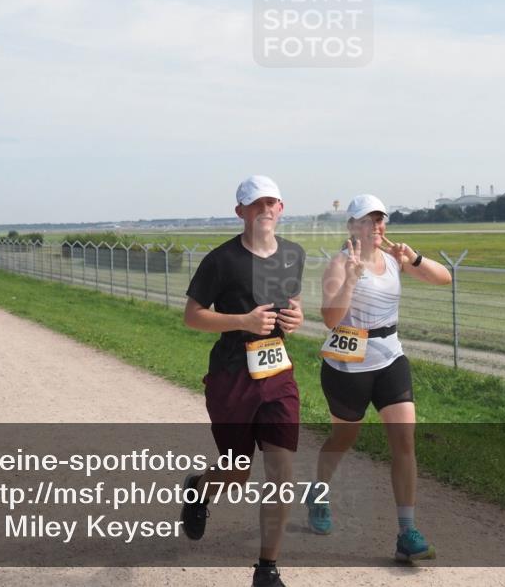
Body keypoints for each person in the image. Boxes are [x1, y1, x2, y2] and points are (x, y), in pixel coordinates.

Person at [308, 194, 451, 563]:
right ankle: (318, 493)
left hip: (390, 357)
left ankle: (407, 531)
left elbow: (444, 278)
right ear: (352, 226)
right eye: (368, 221)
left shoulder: (393, 259)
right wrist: (352, 279)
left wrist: (414, 258)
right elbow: (330, 318)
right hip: (347, 366)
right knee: (344, 438)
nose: (376, 227)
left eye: (380, 220)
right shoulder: (339, 264)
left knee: (404, 441)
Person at [180, 176, 305, 587]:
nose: (265, 210)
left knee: (282, 472)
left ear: (281, 209)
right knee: (237, 473)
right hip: (232, 375)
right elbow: (192, 315)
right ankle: (199, 489)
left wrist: (297, 319)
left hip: (278, 373)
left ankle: (266, 570)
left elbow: (294, 303)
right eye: (256, 204)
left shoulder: (293, 254)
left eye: (272, 203)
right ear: (241, 212)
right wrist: (243, 321)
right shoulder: (221, 260)